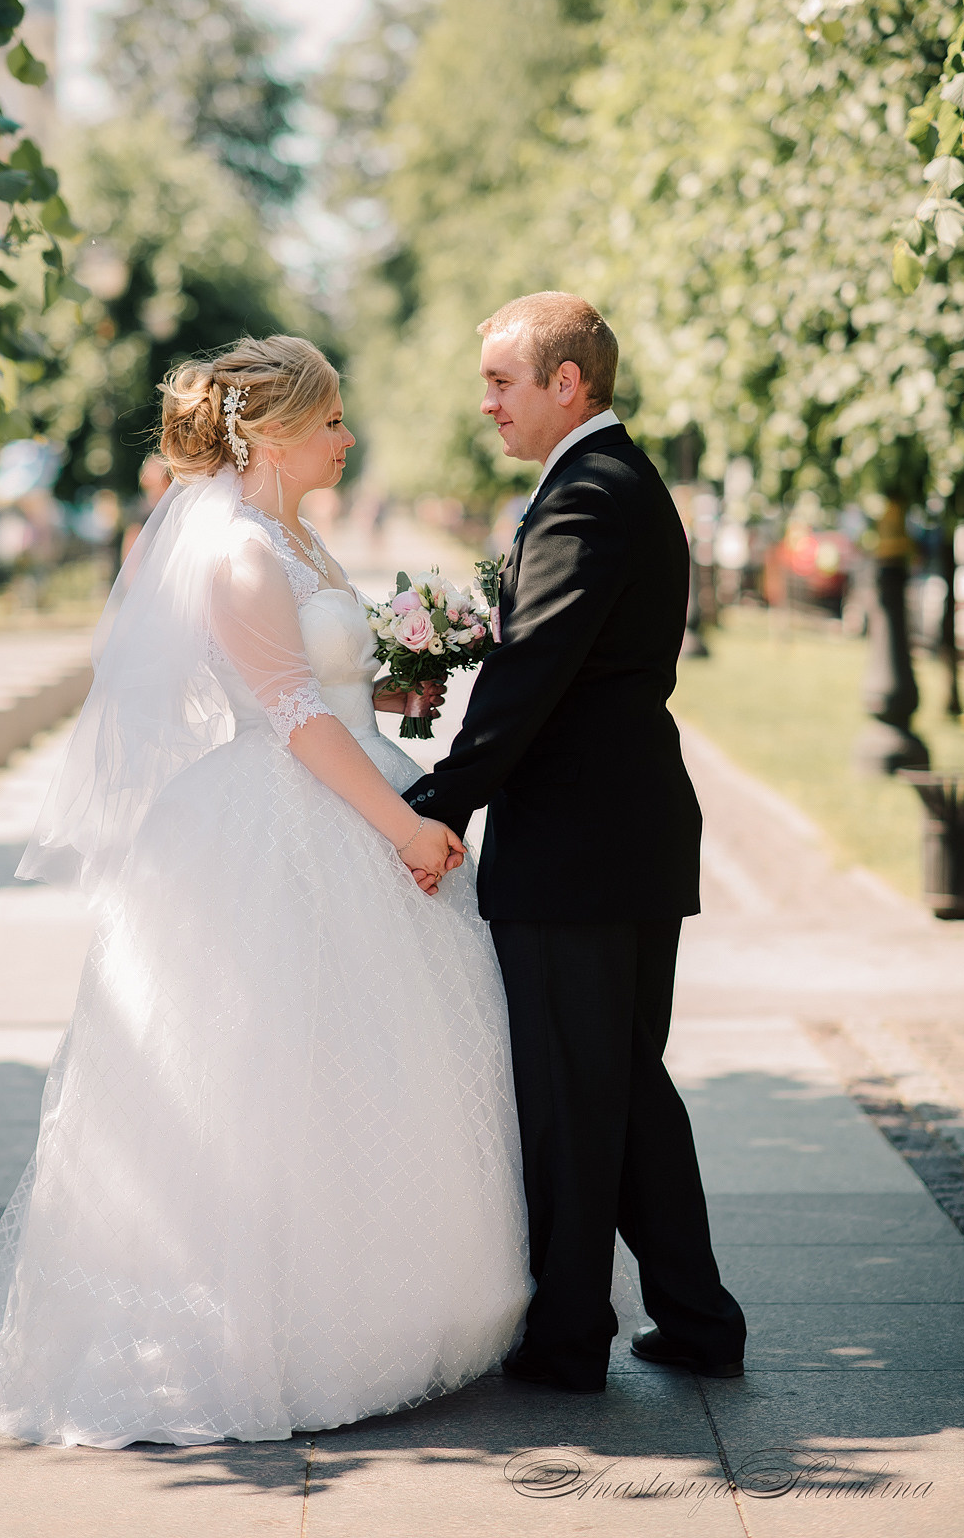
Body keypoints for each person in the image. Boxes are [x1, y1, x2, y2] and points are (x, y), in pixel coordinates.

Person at [0, 335, 530, 1449]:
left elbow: (333, 696)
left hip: (345, 785)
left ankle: (404, 1299)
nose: (347, 438)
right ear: (271, 434)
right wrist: (403, 822)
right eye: (331, 423)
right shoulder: (241, 557)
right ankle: (280, 1333)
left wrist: (403, 676)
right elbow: (293, 717)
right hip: (283, 819)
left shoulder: (296, 539)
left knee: (373, 1061)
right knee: (271, 1073)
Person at [403, 292, 746, 1394]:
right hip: (621, 839)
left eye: (502, 381)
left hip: (580, 852)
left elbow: (529, 682)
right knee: (623, 1086)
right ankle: (697, 1318)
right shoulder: (605, 484)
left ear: (566, 383)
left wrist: (439, 804)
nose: (487, 404)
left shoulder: (587, 496)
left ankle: (564, 1341)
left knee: (569, 1097)